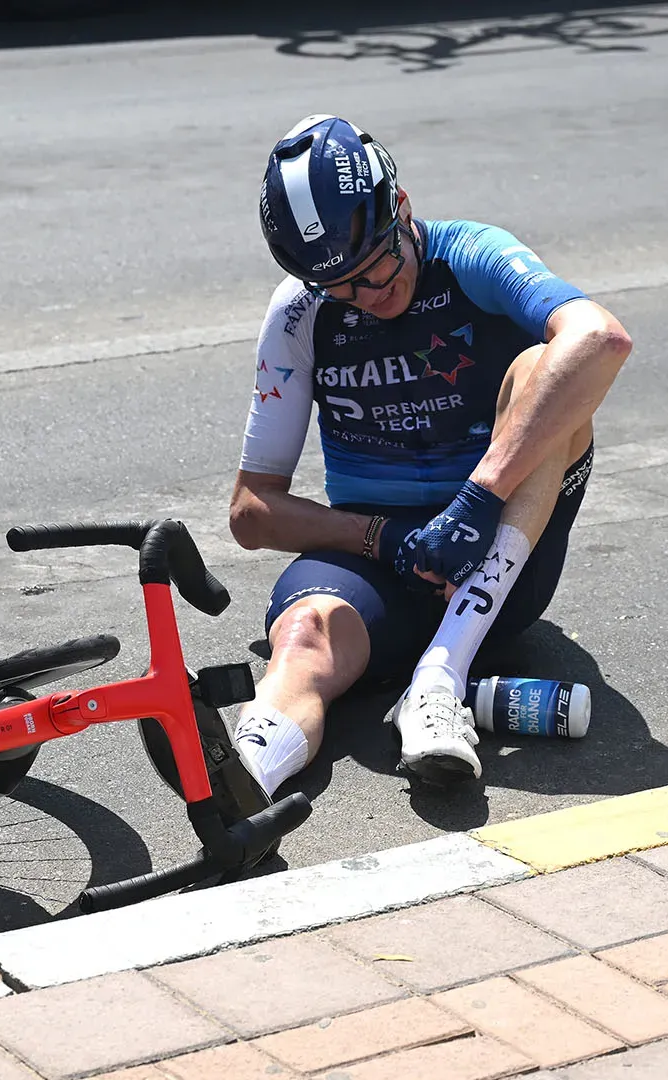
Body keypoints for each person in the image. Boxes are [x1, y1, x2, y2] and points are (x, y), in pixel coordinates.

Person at [226, 115, 632, 791]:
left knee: (545, 365)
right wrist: (386, 539)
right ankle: (243, 785)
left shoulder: (471, 254)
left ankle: (441, 677)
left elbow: (602, 339)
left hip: (499, 549)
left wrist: (477, 500)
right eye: (344, 286)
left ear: (403, 207)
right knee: (299, 638)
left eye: (379, 263)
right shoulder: (301, 311)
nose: (371, 295)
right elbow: (250, 511)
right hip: (382, 568)